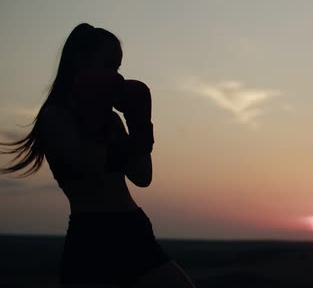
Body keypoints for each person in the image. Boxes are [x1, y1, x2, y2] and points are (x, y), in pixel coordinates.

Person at [0, 23, 196, 287]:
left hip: (134, 230)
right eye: (108, 64)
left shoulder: (112, 120)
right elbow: (89, 163)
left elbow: (142, 176)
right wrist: (128, 140)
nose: (116, 76)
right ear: (80, 65)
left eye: (117, 67)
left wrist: (140, 121)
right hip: (93, 235)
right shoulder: (56, 117)